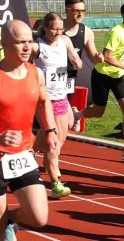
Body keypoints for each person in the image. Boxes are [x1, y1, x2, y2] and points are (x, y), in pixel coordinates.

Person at [0, 20, 59, 240]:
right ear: (5, 44)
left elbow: (43, 102)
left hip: (22, 156)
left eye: (29, 41)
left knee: (38, 218)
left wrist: (50, 130)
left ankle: (10, 219)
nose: (27, 47)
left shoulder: (36, 73)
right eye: (20, 42)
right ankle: (1, 223)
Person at [73, 1, 124, 161]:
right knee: (98, 112)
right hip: (102, 76)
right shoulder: (116, 32)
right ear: (123, 16)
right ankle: (77, 115)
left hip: (118, 75)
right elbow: (107, 56)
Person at [31, 12, 81, 199]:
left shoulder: (65, 41)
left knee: (65, 127)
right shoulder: (38, 47)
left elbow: (75, 60)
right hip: (45, 99)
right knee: (55, 143)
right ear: (45, 28)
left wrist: (76, 62)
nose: (58, 32)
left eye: (61, 28)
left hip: (61, 96)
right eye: (54, 28)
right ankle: (55, 183)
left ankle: (29, 152)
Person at [62, 0, 104, 133]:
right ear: (67, 10)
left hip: (69, 78)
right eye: (76, 10)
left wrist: (98, 57)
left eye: (83, 10)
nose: (80, 14)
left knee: (61, 115)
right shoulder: (56, 28)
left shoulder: (86, 31)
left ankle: (72, 114)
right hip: (48, 76)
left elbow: (92, 57)